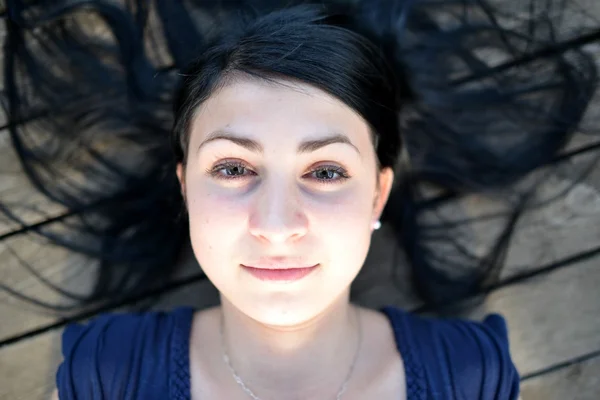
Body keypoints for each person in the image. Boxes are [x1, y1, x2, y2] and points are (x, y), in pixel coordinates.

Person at [4, 0, 596, 399]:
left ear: (377, 195)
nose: (277, 224)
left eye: (327, 170)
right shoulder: (106, 374)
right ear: (185, 187)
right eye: (234, 167)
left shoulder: (470, 375)